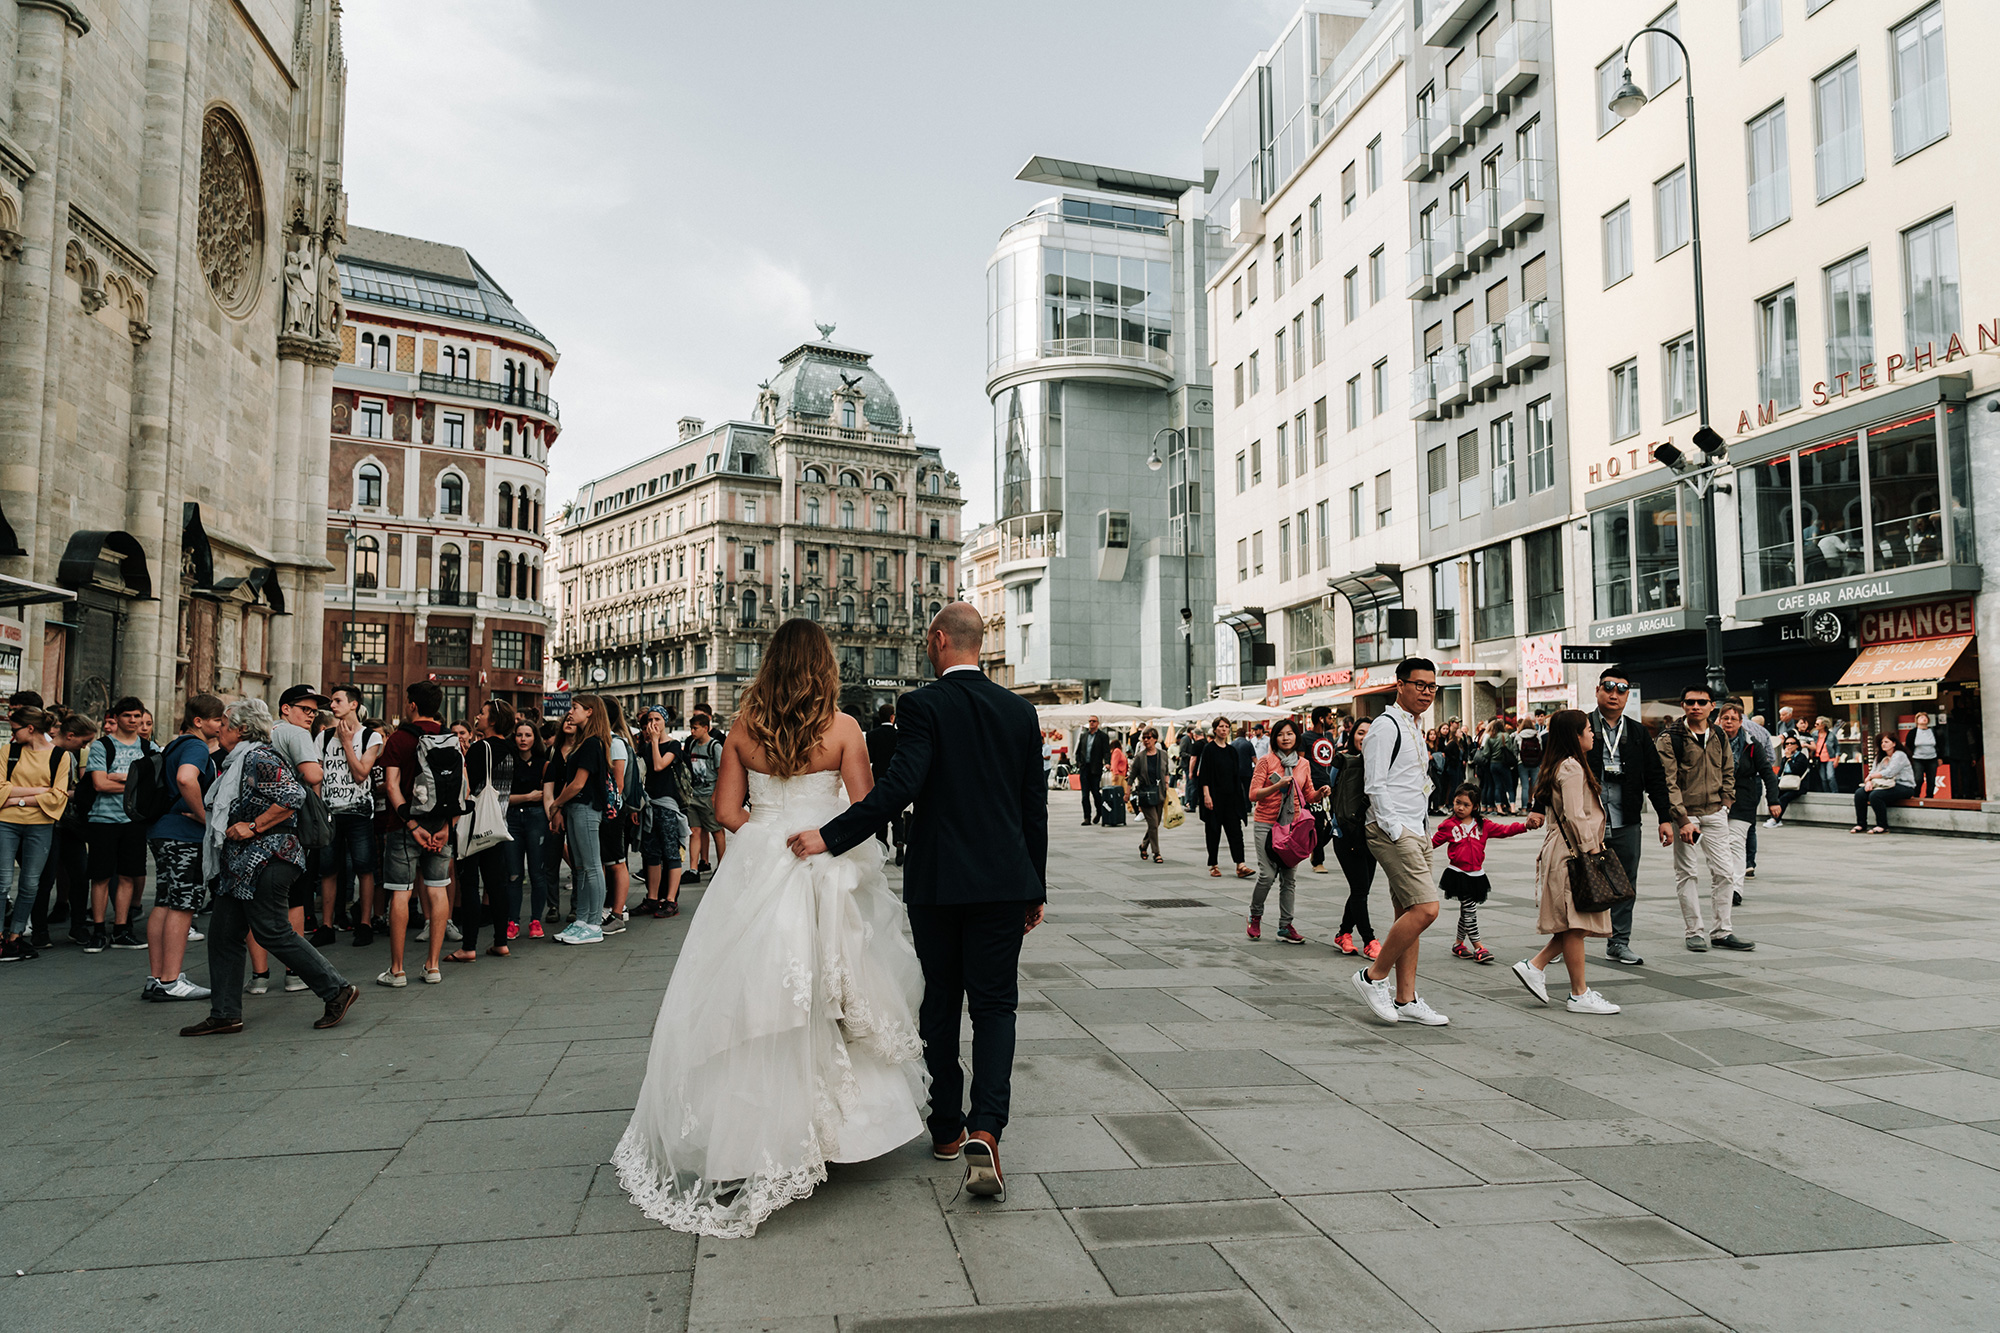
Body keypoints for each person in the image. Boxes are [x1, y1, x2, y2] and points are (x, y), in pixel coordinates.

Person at [610, 621, 925, 1239]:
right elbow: (865, 808)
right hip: (824, 862)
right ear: (824, 666)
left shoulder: (743, 729)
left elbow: (726, 814)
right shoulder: (842, 728)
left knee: (751, 994)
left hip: (760, 858)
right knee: (833, 993)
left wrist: (769, 823)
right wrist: (819, 821)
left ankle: (749, 1131)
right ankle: (837, 1132)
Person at [784, 604, 1045, 1210]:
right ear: (980, 644)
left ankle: (949, 1129)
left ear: (937, 641)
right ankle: (988, 1128)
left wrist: (832, 835)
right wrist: (1036, 885)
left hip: (939, 884)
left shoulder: (922, 707)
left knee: (940, 1002)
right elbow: (1034, 806)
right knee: (996, 1005)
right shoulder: (1020, 711)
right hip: (1006, 883)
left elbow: (900, 788)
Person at [179, 699, 358, 1036]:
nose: (220, 728)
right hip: (242, 864)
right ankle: (225, 1013)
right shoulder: (238, 760)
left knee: (272, 930)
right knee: (222, 935)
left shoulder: (259, 756)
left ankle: (337, 989)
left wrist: (255, 826)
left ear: (243, 729)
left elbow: (294, 795)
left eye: (227, 722)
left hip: (269, 858)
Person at [1352, 658, 1449, 1026]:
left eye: (1431, 686)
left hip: (1417, 827)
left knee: (1409, 914)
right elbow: (1374, 784)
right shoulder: (1385, 726)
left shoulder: (1414, 725)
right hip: (1395, 829)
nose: (1426, 692)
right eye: (1419, 684)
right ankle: (1373, 976)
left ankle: (1406, 998)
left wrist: (1420, 830)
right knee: (1426, 909)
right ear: (1400, 685)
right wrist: (1394, 829)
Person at [1510, 710, 1621, 1016]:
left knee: (1576, 922)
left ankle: (1535, 966)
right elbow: (1575, 815)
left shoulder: (1561, 765)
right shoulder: (1571, 768)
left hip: (1563, 849)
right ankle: (1579, 993)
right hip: (1572, 851)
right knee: (1576, 924)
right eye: (1588, 729)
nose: (1593, 734)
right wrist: (1592, 851)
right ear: (1575, 735)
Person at [1575, 667, 1677, 969]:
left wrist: (1664, 817)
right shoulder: (1580, 726)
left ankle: (1618, 942)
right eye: (1608, 687)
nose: (1614, 694)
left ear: (1627, 695)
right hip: (1587, 820)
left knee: (1624, 883)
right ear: (1597, 690)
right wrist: (1540, 808)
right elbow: (1556, 767)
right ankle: (1566, 939)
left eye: (1621, 689)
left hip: (1626, 819)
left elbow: (1656, 776)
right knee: (1576, 879)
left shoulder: (1636, 732)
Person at [139, 695, 224, 997]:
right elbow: (186, 779)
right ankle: (171, 980)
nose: (221, 724)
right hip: (183, 834)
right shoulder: (196, 746)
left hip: (162, 829)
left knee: (164, 901)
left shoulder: (174, 743)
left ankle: (158, 977)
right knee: (183, 903)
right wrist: (206, 819)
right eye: (217, 719)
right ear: (199, 721)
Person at [377, 680, 460, 984]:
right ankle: (433, 966)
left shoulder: (398, 739)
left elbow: (391, 786)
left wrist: (410, 824)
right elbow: (460, 787)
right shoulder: (450, 737)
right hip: (441, 826)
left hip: (403, 827)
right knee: (438, 890)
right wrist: (448, 827)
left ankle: (397, 970)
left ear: (412, 705)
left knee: (401, 893)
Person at [253, 685, 328, 993]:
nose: (310, 716)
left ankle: (259, 976)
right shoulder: (296, 734)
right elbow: (314, 776)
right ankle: (293, 972)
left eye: (314, 711)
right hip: (287, 826)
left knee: (253, 899)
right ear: (285, 708)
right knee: (294, 898)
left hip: (256, 825)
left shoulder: (262, 734)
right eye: (304, 709)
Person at [1657, 684, 1743, 953]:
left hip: (1716, 812)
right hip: (1686, 815)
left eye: (1701, 702)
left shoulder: (1718, 734)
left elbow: (1728, 768)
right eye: (1690, 701)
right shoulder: (1670, 737)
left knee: (1726, 873)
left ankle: (1722, 931)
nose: (1696, 706)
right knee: (1687, 873)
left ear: (1712, 706)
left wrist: (1726, 803)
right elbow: (1668, 782)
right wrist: (1681, 819)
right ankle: (1694, 931)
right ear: (1682, 705)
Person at [81, 696, 155, 953]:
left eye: (137, 716)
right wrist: (132, 782)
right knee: (100, 876)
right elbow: (99, 783)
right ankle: (99, 930)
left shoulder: (149, 748)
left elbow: (153, 785)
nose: (133, 721)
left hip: (133, 821)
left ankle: (122, 928)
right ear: (117, 718)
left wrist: (118, 777)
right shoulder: (102, 746)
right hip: (103, 819)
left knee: (128, 875)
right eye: (128, 716)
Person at [1, 706, 72, 962]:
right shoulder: (8, 752)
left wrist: (16, 797)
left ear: (30, 729)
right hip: (5, 823)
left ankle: (15, 935)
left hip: (40, 825)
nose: (12, 735)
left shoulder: (59, 756)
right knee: (1, 882)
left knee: (31, 883)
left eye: (15, 729)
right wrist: (39, 792)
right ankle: (0, 936)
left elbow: (58, 797)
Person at [449, 699, 517, 960]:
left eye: (482, 713)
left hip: (474, 824)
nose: (477, 716)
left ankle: (469, 946)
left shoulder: (481, 748)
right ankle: (501, 942)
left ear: (493, 720)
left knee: (469, 885)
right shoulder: (509, 749)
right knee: (496, 884)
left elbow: (466, 785)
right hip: (497, 823)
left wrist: (464, 759)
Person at [1435, 782, 1530, 965]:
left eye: (1466, 804)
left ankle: (1458, 944)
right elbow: (1431, 843)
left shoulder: (1483, 825)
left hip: (1477, 875)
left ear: (1475, 807)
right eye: (1457, 802)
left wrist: (1525, 826)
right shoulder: (1448, 825)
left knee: (1466, 911)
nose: (1460, 807)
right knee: (1470, 910)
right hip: (1457, 874)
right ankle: (1479, 947)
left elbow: (1505, 830)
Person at [318, 685, 383, 948]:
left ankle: (364, 924)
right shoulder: (322, 738)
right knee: (328, 870)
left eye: (337, 701)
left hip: (358, 812)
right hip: (330, 812)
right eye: (332, 701)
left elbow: (360, 775)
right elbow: (317, 776)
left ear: (353, 704)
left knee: (364, 868)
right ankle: (326, 925)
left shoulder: (371, 738)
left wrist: (346, 743)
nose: (332, 706)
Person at [1246, 717, 1320, 945]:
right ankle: (1255, 916)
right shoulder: (1266, 762)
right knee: (1267, 875)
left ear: (1296, 737)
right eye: (1281, 734)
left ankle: (1285, 926)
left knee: (1289, 878)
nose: (1286, 738)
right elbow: (1253, 794)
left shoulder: (1304, 764)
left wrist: (1321, 793)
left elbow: (1307, 795)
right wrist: (1277, 786)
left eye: (1290, 733)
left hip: (1291, 827)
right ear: (1274, 738)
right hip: (1266, 823)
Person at [547, 694, 613, 944]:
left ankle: (594, 923)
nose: (570, 712)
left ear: (590, 712)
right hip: (578, 807)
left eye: (575, 708)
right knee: (583, 868)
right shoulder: (586, 743)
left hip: (585, 807)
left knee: (591, 867)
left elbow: (577, 784)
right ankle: (584, 920)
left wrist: (556, 804)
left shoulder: (590, 743)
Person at [1717, 703, 1779, 927]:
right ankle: (1723, 883)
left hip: (1743, 800)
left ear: (1741, 722)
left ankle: (1735, 889)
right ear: (1719, 720)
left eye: (1734, 718)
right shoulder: (1711, 741)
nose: (1729, 722)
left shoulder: (1751, 745)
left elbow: (1767, 772)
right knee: (1717, 845)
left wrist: (1773, 800)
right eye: (1725, 718)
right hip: (1715, 800)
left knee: (1735, 843)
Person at [1328, 719, 1380, 960]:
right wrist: (1338, 828)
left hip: (1371, 834)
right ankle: (1370, 940)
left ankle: (1343, 933)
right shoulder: (1342, 760)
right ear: (1352, 735)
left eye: (1370, 734)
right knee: (1360, 888)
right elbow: (1332, 796)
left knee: (1362, 888)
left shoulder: (1379, 762)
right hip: (1346, 833)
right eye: (1361, 733)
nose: (1365, 738)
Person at [507, 719, 555, 935]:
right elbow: (502, 798)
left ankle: (535, 920)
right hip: (512, 818)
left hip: (537, 818)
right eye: (519, 735)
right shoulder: (508, 762)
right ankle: (512, 921)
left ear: (535, 738)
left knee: (537, 872)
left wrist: (551, 818)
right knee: (514, 873)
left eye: (527, 735)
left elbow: (547, 796)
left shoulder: (544, 764)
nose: (523, 739)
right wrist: (527, 796)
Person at [636, 708, 685, 917]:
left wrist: (655, 741)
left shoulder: (673, 745)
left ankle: (671, 900)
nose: (653, 723)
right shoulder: (645, 746)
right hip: (649, 805)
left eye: (657, 719)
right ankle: (652, 898)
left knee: (671, 852)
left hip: (668, 805)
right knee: (651, 854)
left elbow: (659, 765)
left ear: (665, 721)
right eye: (649, 720)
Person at [1189, 717, 1251, 879]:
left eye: (1226, 727)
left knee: (1235, 831)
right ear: (1215, 729)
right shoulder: (1209, 749)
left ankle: (1240, 864)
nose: (1224, 729)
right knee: (1213, 831)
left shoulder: (1231, 751)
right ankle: (1213, 865)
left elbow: (1236, 776)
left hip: (1231, 798)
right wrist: (1206, 795)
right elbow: (1205, 774)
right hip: (1214, 797)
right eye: (1221, 727)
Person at [600, 697, 641, 932]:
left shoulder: (616, 743)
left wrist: (610, 812)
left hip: (614, 811)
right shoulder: (609, 741)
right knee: (609, 860)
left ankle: (617, 911)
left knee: (616, 862)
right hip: (610, 811)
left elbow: (617, 786)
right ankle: (610, 907)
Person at [681, 711, 726, 881]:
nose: (692, 732)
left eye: (695, 728)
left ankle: (721, 866)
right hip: (694, 794)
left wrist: (715, 796)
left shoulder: (715, 747)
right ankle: (693, 869)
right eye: (691, 728)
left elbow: (722, 774)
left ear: (705, 728)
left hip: (708, 795)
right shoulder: (692, 745)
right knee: (695, 831)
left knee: (716, 831)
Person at [1852, 732, 1917, 833]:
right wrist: (1869, 782)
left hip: (1903, 786)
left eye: (1886, 742)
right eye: (1882, 742)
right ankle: (1861, 824)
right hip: (1883, 785)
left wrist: (1871, 777)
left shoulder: (1900, 755)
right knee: (1860, 793)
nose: (1883, 744)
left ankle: (1882, 826)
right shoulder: (1880, 756)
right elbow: (1873, 771)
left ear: (1894, 743)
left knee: (1875, 795)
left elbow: (1890, 772)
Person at [868, 703, 905, 865]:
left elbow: (868, 759)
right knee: (897, 816)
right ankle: (899, 844)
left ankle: (882, 846)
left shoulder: (872, 735)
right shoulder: (900, 735)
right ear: (892, 717)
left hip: (879, 780)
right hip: (896, 780)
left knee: (881, 815)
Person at [1303, 707, 1338, 875]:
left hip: (1329, 785)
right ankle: (1318, 860)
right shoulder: (1305, 738)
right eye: (1330, 717)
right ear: (1321, 719)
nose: (1333, 720)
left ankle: (1314, 848)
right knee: (1317, 823)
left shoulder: (1329, 737)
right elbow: (1301, 763)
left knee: (1332, 823)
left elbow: (1331, 759)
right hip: (1313, 786)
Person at [1131, 728, 1168, 863]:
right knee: (1153, 823)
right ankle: (1156, 853)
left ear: (1155, 739)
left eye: (1149, 737)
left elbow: (1166, 771)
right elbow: (1132, 775)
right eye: (1144, 738)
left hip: (1159, 792)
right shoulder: (1140, 757)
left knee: (1155, 824)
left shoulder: (1163, 754)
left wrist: (1167, 786)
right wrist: (1127, 792)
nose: (1146, 740)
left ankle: (1143, 845)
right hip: (1145, 793)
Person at [1074, 715, 1109, 826]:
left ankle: (1099, 812)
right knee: (1084, 795)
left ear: (1098, 723)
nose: (1091, 723)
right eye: (1090, 721)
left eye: (1094, 721)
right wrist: (1079, 763)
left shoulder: (1102, 736)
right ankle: (1086, 817)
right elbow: (1078, 751)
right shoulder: (1083, 736)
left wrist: (1107, 762)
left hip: (1095, 768)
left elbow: (1106, 751)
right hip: (1084, 768)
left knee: (1095, 793)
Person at [1773, 736, 1813, 820]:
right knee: (1774, 796)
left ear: (1797, 745)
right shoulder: (1784, 758)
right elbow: (1781, 772)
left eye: (1792, 743)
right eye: (1787, 744)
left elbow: (1796, 770)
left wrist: (1789, 759)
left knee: (1784, 798)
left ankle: (1776, 819)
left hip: (1798, 785)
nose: (1789, 745)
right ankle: (1773, 817)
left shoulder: (1801, 757)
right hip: (1786, 784)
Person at [1516, 714, 1545, 812]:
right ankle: (1537, 807)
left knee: (1525, 786)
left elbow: (1515, 750)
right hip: (1535, 763)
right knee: (1536, 785)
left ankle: (1524, 808)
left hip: (1522, 763)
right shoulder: (1537, 735)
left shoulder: (1519, 735)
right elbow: (1540, 749)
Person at [1908, 712, 1940, 797]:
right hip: (1918, 758)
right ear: (1917, 721)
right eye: (1921, 717)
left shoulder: (1933, 731)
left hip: (1932, 758)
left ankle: (1929, 797)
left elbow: (1940, 745)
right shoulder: (1913, 732)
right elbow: (1908, 746)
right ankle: (1916, 795)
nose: (1924, 719)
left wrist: (1940, 757)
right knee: (1918, 779)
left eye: (1925, 717)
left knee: (1931, 780)